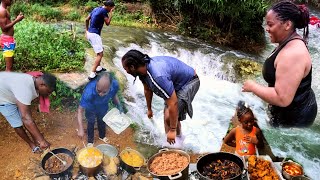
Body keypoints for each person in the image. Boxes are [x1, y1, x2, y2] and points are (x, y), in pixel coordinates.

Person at [242, 1, 317, 127]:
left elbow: (282, 99)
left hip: (295, 120)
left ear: (287, 24)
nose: (267, 28)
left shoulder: (293, 54)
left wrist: (253, 87)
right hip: (288, 112)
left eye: (270, 24)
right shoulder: (287, 42)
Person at [121, 49, 200, 144]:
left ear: (132, 67)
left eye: (125, 68)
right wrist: (149, 109)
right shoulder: (143, 72)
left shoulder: (157, 77)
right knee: (168, 115)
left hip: (189, 82)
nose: (125, 71)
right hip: (175, 82)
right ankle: (172, 144)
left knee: (168, 117)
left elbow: (173, 103)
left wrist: (172, 130)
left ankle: (178, 143)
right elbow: (147, 90)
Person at [0, 72, 56, 153]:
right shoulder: (24, 88)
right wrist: (42, 140)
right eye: (48, 91)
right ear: (42, 85)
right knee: (17, 124)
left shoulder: (33, 81)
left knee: (28, 118)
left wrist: (39, 138)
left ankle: (36, 140)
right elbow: (26, 118)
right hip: (3, 99)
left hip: (10, 92)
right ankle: (31, 144)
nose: (48, 94)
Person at [77, 72, 123, 146]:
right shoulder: (88, 92)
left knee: (102, 120)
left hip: (103, 106)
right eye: (98, 90)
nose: (101, 94)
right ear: (96, 84)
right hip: (90, 108)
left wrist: (119, 105)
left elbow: (114, 95)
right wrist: (80, 128)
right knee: (91, 122)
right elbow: (80, 110)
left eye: (104, 92)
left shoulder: (114, 85)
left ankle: (102, 136)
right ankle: (90, 141)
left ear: (110, 86)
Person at [85, 0, 115, 80]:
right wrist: (111, 14)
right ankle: (92, 73)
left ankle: (98, 67)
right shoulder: (104, 11)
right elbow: (108, 23)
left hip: (90, 34)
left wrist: (86, 31)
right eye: (111, 8)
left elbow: (87, 19)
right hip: (95, 35)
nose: (111, 9)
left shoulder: (95, 9)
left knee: (100, 50)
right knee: (100, 54)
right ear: (108, 6)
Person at [0, 0, 24, 71]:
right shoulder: (2, 11)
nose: (12, 0)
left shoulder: (4, 10)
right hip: (7, 41)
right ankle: (6, 81)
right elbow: (4, 28)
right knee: (9, 68)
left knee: (10, 66)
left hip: (8, 39)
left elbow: (7, 23)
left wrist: (16, 19)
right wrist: (17, 20)